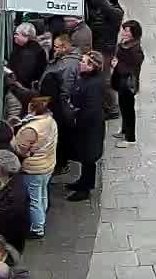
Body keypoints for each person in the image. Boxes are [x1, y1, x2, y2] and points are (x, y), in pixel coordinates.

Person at [65, 50, 108, 201]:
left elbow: (91, 108)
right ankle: (83, 181)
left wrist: (77, 117)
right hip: (85, 124)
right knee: (85, 156)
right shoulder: (86, 78)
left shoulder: (94, 85)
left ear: (91, 67)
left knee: (89, 156)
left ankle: (86, 189)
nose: (80, 63)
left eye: (83, 62)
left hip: (90, 127)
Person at [12, 96, 56, 239]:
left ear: (32, 108)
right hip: (47, 165)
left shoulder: (30, 129)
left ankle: (37, 229)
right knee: (42, 194)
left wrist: (11, 134)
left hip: (33, 168)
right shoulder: (50, 121)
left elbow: (20, 150)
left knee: (33, 199)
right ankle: (41, 220)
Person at [112, 20, 144, 147]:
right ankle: (124, 130)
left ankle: (130, 138)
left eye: (126, 31)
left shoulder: (136, 51)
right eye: (124, 30)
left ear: (133, 34)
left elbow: (132, 70)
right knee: (123, 107)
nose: (123, 32)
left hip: (128, 84)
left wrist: (117, 64)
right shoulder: (125, 44)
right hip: (121, 82)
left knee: (129, 110)